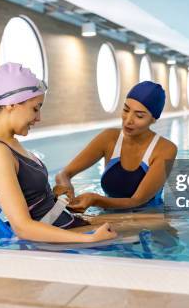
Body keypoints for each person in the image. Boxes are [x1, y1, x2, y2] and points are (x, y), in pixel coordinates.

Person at [0, 62, 116, 243]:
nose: (38, 118)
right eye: (35, 108)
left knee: (152, 219)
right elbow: (22, 227)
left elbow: (30, 197)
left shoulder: (10, 142)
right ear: (12, 104)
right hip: (58, 231)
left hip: (64, 221)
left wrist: (54, 194)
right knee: (152, 224)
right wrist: (88, 239)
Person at [54, 81, 177, 212]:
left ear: (153, 119)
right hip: (110, 215)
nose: (128, 120)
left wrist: (96, 200)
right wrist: (66, 189)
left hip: (148, 217)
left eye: (139, 115)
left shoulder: (166, 149)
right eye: (126, 110)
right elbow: (64, 174)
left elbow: (137, 200)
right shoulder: (109, 138)